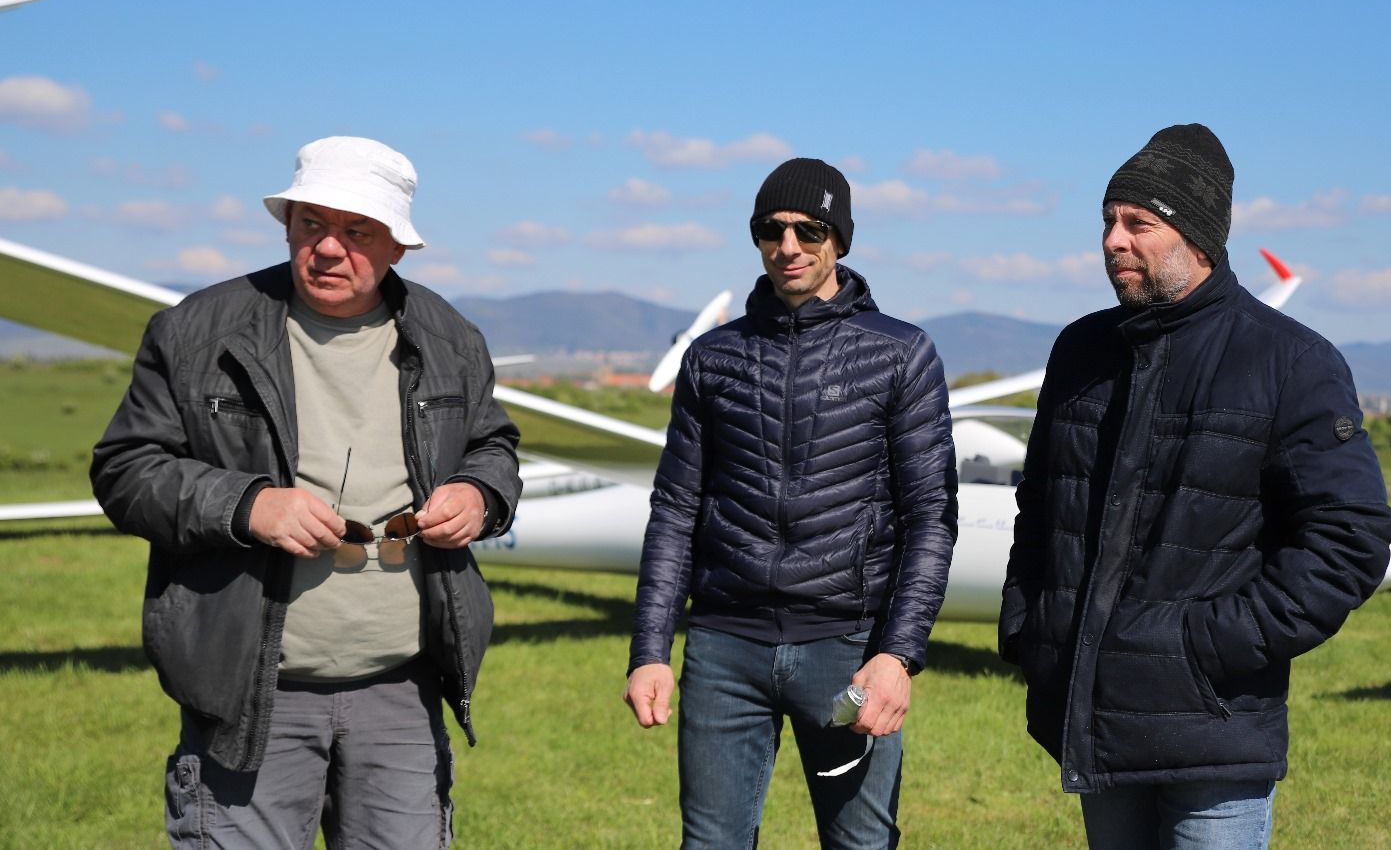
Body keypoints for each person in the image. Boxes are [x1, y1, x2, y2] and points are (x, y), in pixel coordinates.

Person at [91, 136, 522, 847]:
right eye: (311, 223)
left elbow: (492, 445)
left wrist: (479, 493)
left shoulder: (450, 337)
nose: (327, 248)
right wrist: (248, 506)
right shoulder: (197, 331)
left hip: (403, 692)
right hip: (251, 694)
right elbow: (126, 469)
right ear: (286, 224)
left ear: (398, 245)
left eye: (357, 231)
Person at [999, 124, 1391, 850]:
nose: (1113, 241)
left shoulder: (1289, 361)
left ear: (1198, 235)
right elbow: (1041, 505)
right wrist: (1031, 627)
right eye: (1107, 221)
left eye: (1138, 224)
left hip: (1214, 724)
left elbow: (1348, 540)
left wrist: (1204, 646)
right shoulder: (1081, 350)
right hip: (1095, 720)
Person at [625, 157, 959, 849]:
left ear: (839, 238)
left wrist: (897, 654)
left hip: (846, 650)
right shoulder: (712, 357)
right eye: (770, 230)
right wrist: (650, 650)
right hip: (724, 648)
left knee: (859, 844)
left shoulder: (899, 353)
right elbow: (675, 510)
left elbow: (930, 517)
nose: (788, 247)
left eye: (809, 230)